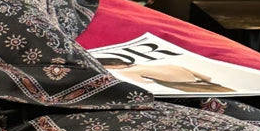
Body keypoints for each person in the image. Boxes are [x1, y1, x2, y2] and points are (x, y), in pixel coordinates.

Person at [96, 57, 235, 94]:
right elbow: (207, 78)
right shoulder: (168, 65)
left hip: (187, 88)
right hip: (204, 84)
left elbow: (142, 85)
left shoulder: (128, 71)